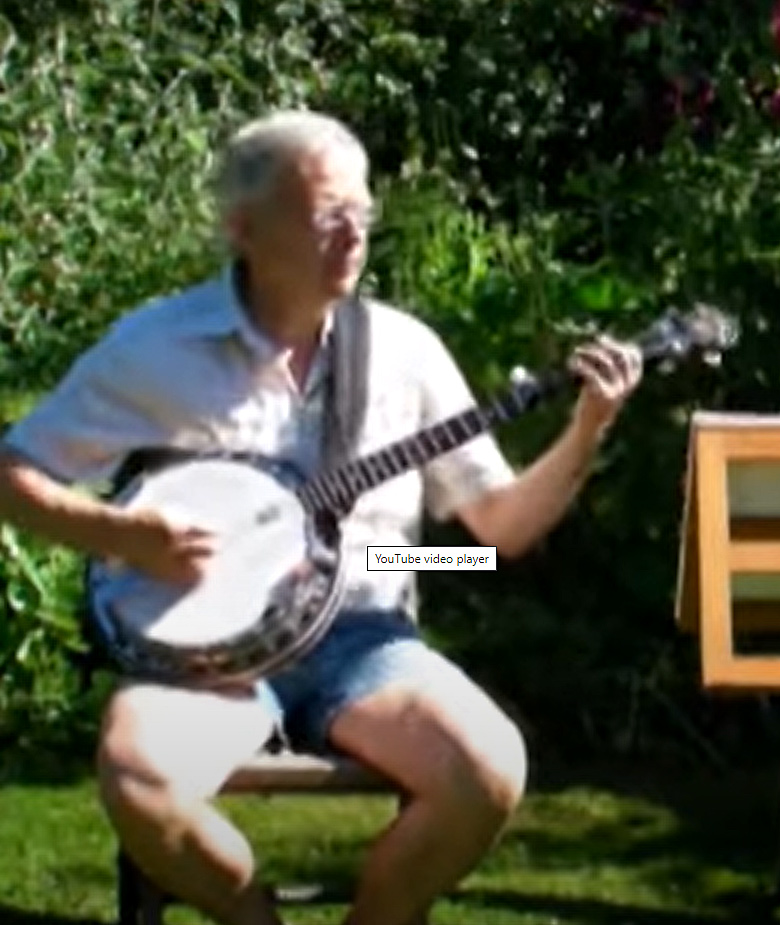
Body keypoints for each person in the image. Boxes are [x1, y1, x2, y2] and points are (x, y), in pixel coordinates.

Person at [0, 109, 644, 925]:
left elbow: (498, 536)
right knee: (138, 777)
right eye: (326, 215)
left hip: (369, 633)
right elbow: (12, 471)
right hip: (205, 659)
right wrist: (122, 535)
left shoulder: (404, 350)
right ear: (243, 227)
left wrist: (586, 429)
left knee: (487, 769)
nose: (354, 235)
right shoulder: (156, 349)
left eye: (363, 214)